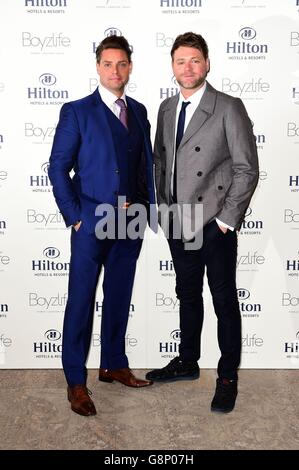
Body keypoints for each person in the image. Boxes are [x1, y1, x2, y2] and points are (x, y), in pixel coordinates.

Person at [146, 32, 259, 413]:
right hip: (179, 221)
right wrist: (163, 208)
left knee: (224, 300)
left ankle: (228, 377)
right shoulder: (164, 108)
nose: (188, 67)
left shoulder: (228, 107)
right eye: (181, 61)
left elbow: (246, 169)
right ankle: (188, 361)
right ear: (172, 66)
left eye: (195, 60)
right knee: (187, 294)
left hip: (214, 223)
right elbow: (160, 162)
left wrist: (226, 220)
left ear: (207, 64)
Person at [48, 35, 156, 417]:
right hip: (91, 221)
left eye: (122, 64)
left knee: (118, 296)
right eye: (108, 64)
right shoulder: (77, 111)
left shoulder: (140, 111)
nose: (115, 70)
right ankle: (75, 381)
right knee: (81, 301)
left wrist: (146, 207)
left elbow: (144, 165)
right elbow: (58, 167)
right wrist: (75, 216)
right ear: (98, 67)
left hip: (131, 221)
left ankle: (113, 363)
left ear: (130, 67)